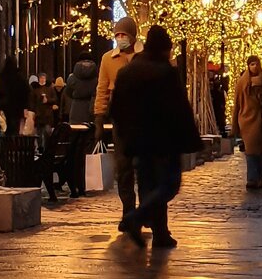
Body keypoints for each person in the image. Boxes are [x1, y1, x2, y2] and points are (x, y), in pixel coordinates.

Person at [111, 25, 202, 249]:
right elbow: (179, 109)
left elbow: (116, 108)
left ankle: (160, 233)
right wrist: (191, 140)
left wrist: (124, 135)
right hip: (163, 141)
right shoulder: (166, 73)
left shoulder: (127, 72)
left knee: (147, 187)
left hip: (137, 142)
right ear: (164, 49)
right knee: (169, 184)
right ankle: (136, 218)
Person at [94, 16, 143, 230]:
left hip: (144, 119)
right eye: (117, 35)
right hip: (121, 119)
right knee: (123, 169)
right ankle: (128, 212)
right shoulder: (108, 59)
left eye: (124, 35)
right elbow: (102, 89)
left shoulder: (144, 57)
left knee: (143, 167)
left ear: (133, 36)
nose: (120, 39)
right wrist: (99, 116)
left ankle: (146, 210)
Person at [232, 56, 262, 189]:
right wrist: (234, 125)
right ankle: (252, 178)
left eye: (256, 64)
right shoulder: (242, 83)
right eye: (252, 64)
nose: (254, 67)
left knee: (259, 150)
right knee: (251, 149)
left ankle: (259, 179)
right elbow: (237, 104)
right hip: (247, 120)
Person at [65, 52, 98, 198]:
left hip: (75, 113)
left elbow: (69, 93)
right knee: (88, 149)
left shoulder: (72, 78)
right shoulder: (96, 78)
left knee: (74, 150)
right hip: (90, 113)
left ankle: (74, 183)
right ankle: (87, 182)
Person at [0, 56, 31, 137]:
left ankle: (7, 144)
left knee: (6, 125)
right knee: (15, 126)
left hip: (5, 105)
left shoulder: (2, 77)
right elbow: (26, 92)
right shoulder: (20, 77)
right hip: (18, 106)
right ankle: (14, 144)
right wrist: (26, 106)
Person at [30, 72, 57, 146]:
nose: (42, 79)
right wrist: (33, 111)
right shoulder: (35, 89)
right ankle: (40, 148)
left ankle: (47, 147)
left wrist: (47, 100)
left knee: (47, 132)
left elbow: (55, 99)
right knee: (39, 133)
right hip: (38, 114)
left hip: (47, 114)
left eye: (43, 78)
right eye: (41, 78)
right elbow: (32, 101)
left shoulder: (50, 89)